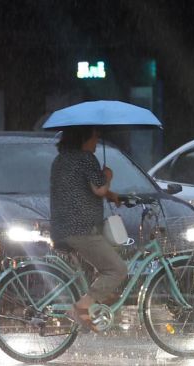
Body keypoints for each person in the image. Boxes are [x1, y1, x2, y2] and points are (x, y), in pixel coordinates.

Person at [50, 126, 127, 332]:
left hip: (62, 227)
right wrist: (107, 176)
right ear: (83, 137)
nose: (97, 139)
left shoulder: (61, 159)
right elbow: (98, 188)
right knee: (118, 269)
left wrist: (110, 195)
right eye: (95, 136)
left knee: (108, 255)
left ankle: (102, 295)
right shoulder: (86, 158)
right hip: (81, 229)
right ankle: (83, 305)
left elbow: (77, 189)